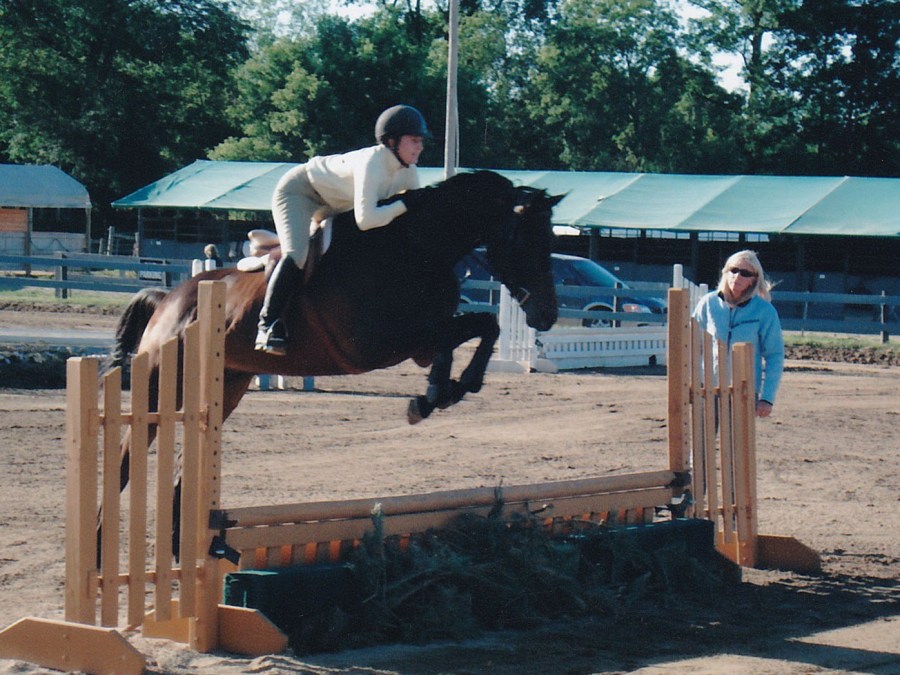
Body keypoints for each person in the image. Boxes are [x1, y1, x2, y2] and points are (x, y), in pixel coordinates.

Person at [255, 104, 430, 354]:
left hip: (336, 205)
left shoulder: (409, 171)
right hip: (301, 193)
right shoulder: (372, 162)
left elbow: (411, 214)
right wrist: (403, 203)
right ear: (391, 141)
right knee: (298, 254)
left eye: (420, 141)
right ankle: (267, 325)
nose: (420, 147)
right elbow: (366, 219)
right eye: (414, 140)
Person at [692, 250, 784, 418]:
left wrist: (767, 398)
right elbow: (691, 344)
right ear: (725, 272)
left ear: (754, 279)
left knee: (737, 443)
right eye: (733, 270)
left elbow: (774, 355)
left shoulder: (765, 311)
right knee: (702, 442)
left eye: (745, 273)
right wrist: (692, 381)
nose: (737, 276)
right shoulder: (708, 303)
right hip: (708, 388)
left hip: (744, 391)